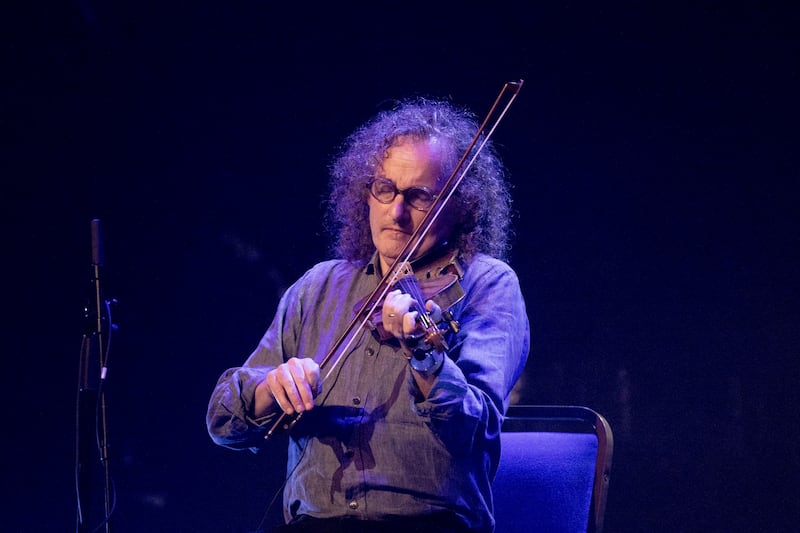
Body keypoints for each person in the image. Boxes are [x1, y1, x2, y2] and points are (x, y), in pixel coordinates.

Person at [206, 96, 530, 533]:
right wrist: (270, 387)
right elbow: (224, 422)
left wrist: (425, 354)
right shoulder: (319, 287)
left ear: (460, 205)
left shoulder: (486, 285)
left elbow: (474, 433)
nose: (396, 212)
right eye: (384, 189)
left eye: (419, 196)